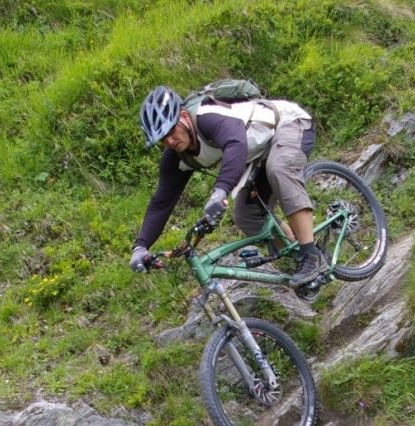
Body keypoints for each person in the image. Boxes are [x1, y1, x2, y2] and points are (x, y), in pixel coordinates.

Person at [130, 85, 329, 285]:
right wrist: (141, 246)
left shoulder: (206, 117)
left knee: (279, 168)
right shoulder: (176, 158)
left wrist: (221, 191)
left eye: (171, 130)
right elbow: (161, 203)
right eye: (162, 139)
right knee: (246, 216)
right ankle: (298, 255)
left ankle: (311, 255)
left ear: (183, 116)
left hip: (287, 123)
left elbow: (235, 143)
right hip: (257, 153)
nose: (170, 141)